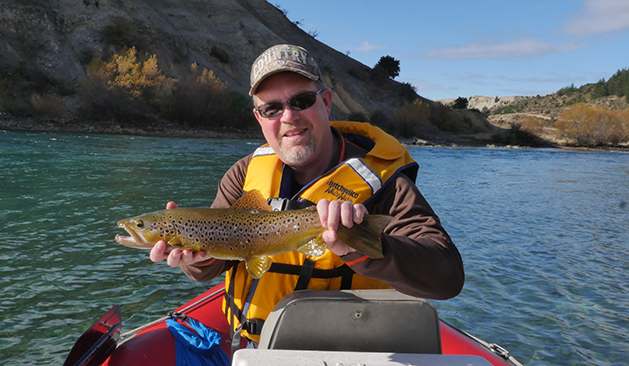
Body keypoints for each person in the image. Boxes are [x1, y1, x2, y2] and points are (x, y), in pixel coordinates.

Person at [150, 44, 464, 345]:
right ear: (259, 118)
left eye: (301, 101)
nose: (288, 117)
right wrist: (195, 260)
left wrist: (361, 248)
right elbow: (211, 267)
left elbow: (447, 277)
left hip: (350, 351)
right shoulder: (244, 173)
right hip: (253, 350)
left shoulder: (383, 181)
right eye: (272, 108)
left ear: (326, 102)